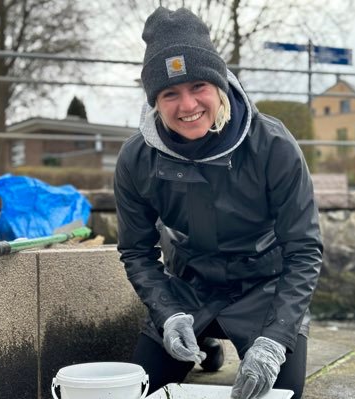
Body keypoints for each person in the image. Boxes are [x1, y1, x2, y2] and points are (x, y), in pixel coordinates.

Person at [114, 6, 323, 399]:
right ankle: (204, 340)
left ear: (221, 85)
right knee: (138, 389)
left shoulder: (273, 145)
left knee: (281, 393)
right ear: (155, 101)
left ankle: (251, 339)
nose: (187, 105)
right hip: (190, 290)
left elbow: (304, 249)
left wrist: (277, 338)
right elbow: (136, 252)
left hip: (266, 288)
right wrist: (168, 313)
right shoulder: (135, 159)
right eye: (170, 93)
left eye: (199, 87)